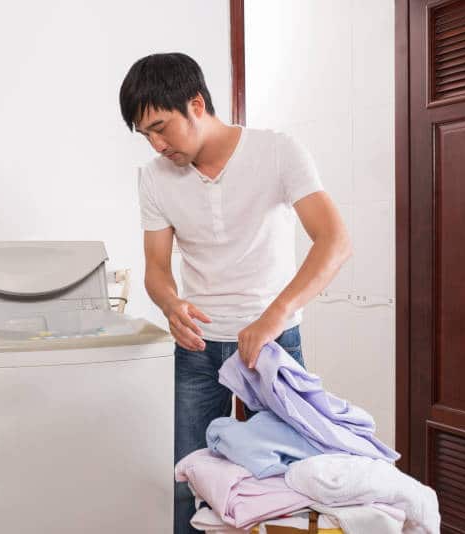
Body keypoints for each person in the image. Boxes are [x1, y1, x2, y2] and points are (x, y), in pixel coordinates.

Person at [119, 52, 351, 534]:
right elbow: (157, 269)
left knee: (285, 480)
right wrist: (169, 302)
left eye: (161, 127)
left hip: (272, 346)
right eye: (146, 135)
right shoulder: (153, 178)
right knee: (190, 480)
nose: (156, 144)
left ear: (196, 104)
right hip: (198, 348)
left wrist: (274, 316)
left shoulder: (278, 152)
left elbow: (335, 240)